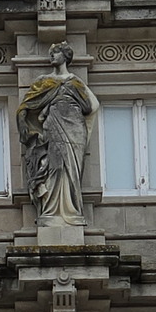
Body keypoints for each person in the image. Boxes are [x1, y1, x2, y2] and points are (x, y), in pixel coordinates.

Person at [16, 43, 100, 225]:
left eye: (56, 53)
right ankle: (52, 211)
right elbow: (27, 104)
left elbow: (89, 107)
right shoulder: (44, 81)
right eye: (51, 53)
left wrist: (70, 95)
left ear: (65, 56)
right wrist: (24, 117)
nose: (52, 56)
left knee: (73, 171)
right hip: (54, 127)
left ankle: (72, 211)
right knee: (56, 167)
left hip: (75, 129)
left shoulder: (75, 82)